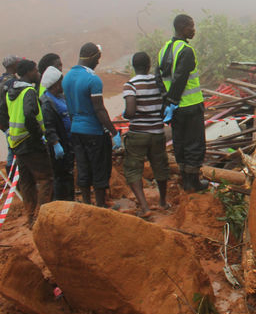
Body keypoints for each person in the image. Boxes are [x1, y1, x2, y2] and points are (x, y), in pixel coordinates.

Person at [62, 43, 121, 207]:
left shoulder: (67, 78)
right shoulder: (92, 79)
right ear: (94, 57)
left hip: (76, 130)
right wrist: (114, 132)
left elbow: (69, 106)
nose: (98, 62)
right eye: (98, 58)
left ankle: (87, 204)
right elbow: (99, 109)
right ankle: (101, 206)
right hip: (94, 131)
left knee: (83, 167)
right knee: (99, 169)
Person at [156, 14, 207, 192]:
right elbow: (180, 79)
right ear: (182, 27)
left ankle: (185, 179)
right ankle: (192, 183)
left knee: (180, 143)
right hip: (191, 106)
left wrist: (167, 102)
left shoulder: (164, 50)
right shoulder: (186, 50)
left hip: (176, 110)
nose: (194, 30)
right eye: (191, 26)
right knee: (195, 144)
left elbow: (159, 78)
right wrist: (172, 100)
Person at [0, 60, 53, 226]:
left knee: (27, 180)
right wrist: (38, 135)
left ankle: (30, 217)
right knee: (45, 178)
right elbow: (30, 114)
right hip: (30, 141)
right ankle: (42, 218)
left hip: (16, 141)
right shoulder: (28, 91)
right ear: (29, 72)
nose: (38, 74)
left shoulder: (10, 91)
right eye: (36, 70)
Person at [122, 52, 170, 217]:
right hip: (157, 132)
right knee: (160, 166)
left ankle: (145, 207)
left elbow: (130, 110)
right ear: (149, 65)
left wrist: (126, 115)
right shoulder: (158, 83)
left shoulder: (131, 85)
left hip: (138, 134)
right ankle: (163, 202)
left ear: (133, 66)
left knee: (133, 169)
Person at [39, 66, 75, 201]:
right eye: (62, 81)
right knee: (61, 176)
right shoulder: (47, 103)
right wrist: (55, 143)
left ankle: (71, 202)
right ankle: (61, 203)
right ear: (56, 84)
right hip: (59, 144)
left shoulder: (61, 97)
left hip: (68, 141)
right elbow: (48, 126)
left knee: (69, 173)